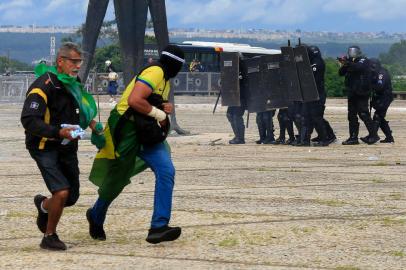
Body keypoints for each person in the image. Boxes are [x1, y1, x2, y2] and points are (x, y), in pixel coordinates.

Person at [86, 45, 184, 244]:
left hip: (146, 132)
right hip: (125, 130)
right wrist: (160, 113)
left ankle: (158, 227)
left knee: (166, 170)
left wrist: (162, 107)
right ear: (175, 64)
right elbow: (134, 99)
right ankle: (96, 214)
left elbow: (151, 101)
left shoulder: (165, 79)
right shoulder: (156, 71)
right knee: (117, 177)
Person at [21, 42, 103, 250]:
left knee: (71, 196)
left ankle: (43, 206)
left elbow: (80, 108)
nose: (77, 66)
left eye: (79, 62)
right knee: (62, 191)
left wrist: (93, 124)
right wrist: (57, 132)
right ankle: (49, 236)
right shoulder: (43, 86)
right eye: (73, 62)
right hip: (43, 146)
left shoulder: (73, 82)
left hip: (67, 146)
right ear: (60, 62)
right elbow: (29, 120)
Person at [338, 45, 379, 145]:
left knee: (363, 113)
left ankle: (373, 135)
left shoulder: (363, 60)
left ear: (358, 52)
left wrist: (347, 63)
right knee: (351, 115)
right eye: (350, 51)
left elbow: (358, 67)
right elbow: (341, 73)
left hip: (362, 92)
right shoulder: (350, 62)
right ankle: (353, 137)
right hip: (352, 92)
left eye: (354, 51)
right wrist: (343, 64)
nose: (352, 52)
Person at [306, 45, 336, 146]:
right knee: (316, 116)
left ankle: (325, 138)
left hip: (318, 93)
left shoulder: (317, 63)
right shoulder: (314, 62)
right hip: (315, 93)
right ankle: (328, 135)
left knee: (317, 117)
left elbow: (313, 77)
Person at [362, 58, 394, 143]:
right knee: (380, 118)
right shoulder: (376, 73)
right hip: (381, 98)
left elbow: (379, 86)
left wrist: (370, 86)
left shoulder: (381, 73)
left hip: (385, 98)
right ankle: (389, 137)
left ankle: (372, 136)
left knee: (377, 116)